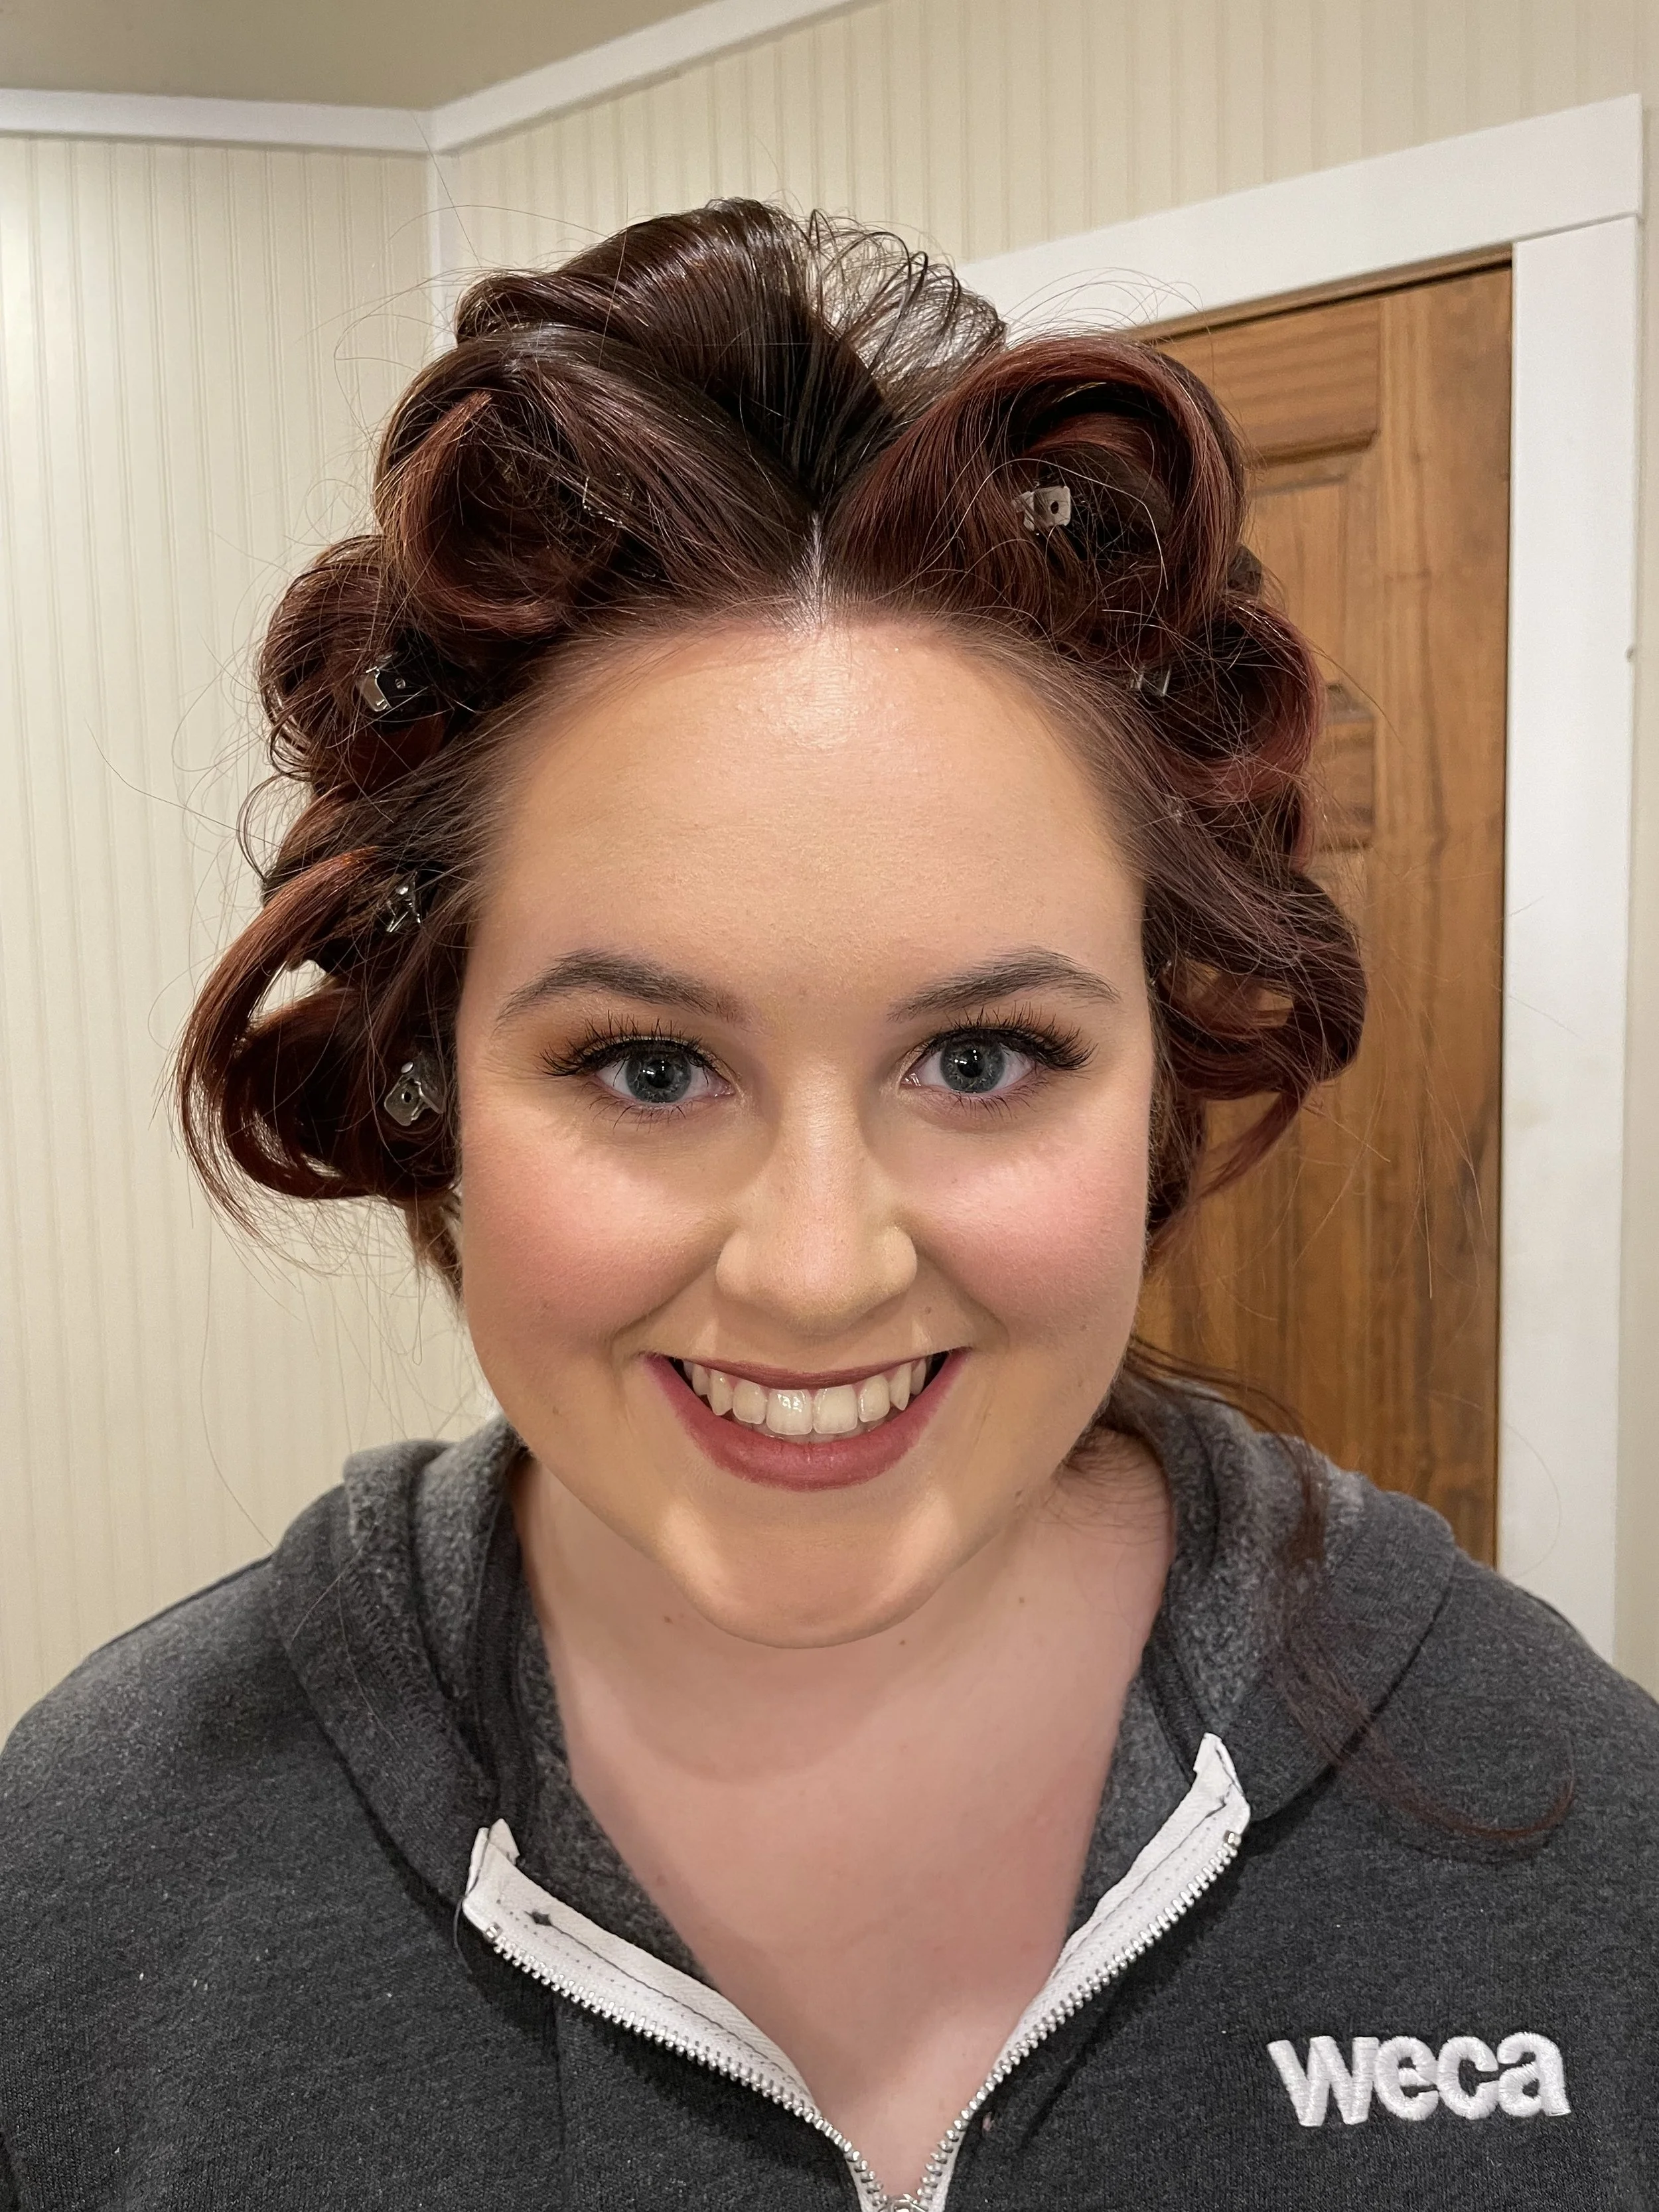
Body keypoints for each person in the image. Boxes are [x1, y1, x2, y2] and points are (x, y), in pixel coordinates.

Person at [1, 200, 1654, 2212]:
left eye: (978, 1059)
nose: (812, 1264)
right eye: (644, 1064)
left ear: (1163, 1068)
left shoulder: (1570, 1824)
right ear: (429, 1085)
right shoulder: (96, 1866)